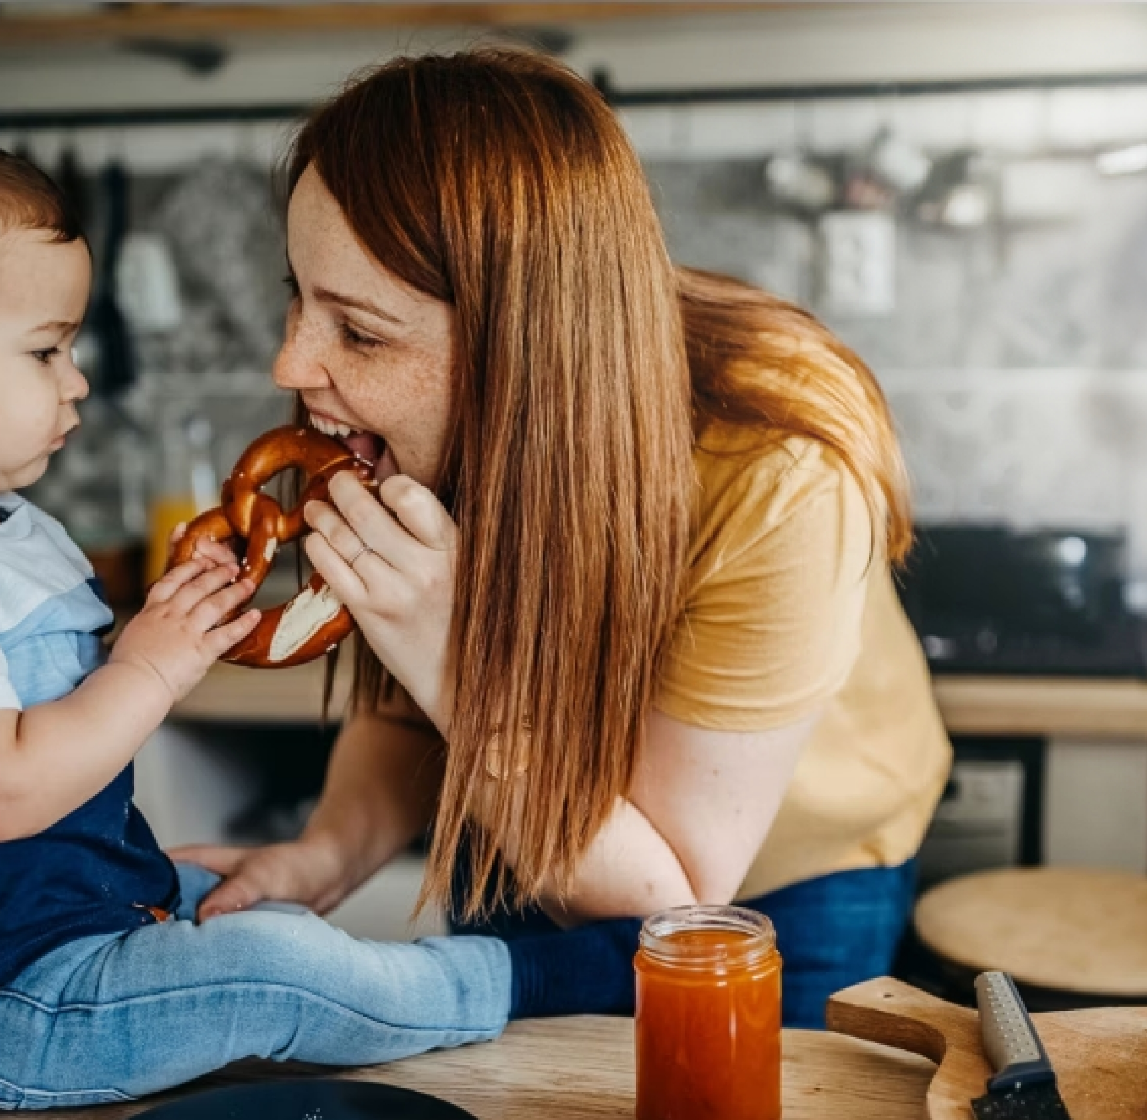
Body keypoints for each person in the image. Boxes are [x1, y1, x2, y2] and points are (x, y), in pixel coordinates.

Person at [0, 116, 523, 1111]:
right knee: (279, 970)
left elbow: (58, 697)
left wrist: (169, 627)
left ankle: (451, 982)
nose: (78, 380)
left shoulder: (0, 531)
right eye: (44, 351)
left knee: (266, 913)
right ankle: (536, 979)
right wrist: (148, 667)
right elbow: (4, 793)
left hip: (81, 925)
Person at [177, 49, 953, 1030]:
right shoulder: (428, 426)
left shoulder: (777, 467)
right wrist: (322, 853)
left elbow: (675, 886)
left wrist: (452, 655)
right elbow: (418, 701)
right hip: (515, 824)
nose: (291, 359)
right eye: (299, 294)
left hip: (778, 885)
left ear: (522, 341)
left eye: (360, 334)